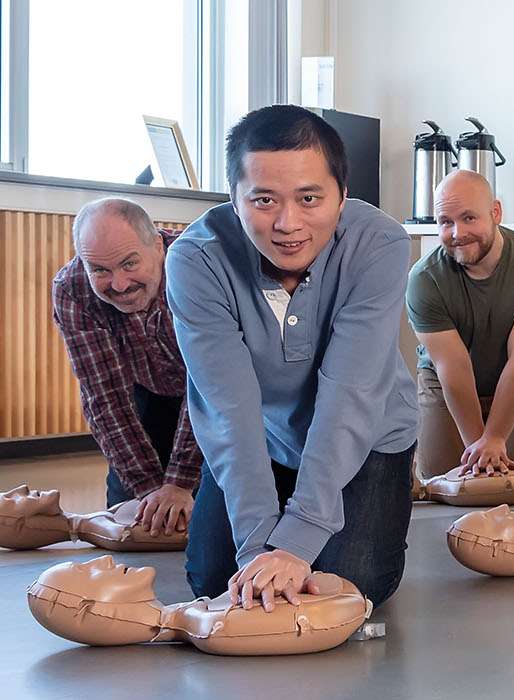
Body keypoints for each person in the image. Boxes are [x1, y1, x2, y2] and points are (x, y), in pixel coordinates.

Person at [166, 105, 418, 609]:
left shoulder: (380, 243)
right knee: (217, 577)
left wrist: (298, 540)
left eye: (309, 199)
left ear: (342, 195)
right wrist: (263, 551)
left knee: (355, 579)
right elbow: (229, 411)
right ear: (233, 200)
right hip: (263, 437)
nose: (288, 224)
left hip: (367, 434)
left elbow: (350, 395)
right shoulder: (195, 260)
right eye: (263, 200)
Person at [50, 197, 202, 536]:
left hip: (219, 395)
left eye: (129, 264)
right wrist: (148, 488)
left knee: (205, 516)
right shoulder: (72, 289)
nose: (119, 284)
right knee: (129, 518)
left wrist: (179, 483)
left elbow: (213, 384)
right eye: (100, 270)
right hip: (146, 391)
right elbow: (104, 397)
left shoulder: (197, 265)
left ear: (159, 246)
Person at [408, 170, 514, 483]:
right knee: (444, 475)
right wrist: (477, 447)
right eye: (446, 221)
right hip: (447, 383)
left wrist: (496, 437)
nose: (457, 232)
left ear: (495, 213)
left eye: (469, 218)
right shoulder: (424, 280)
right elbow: (452, 367)